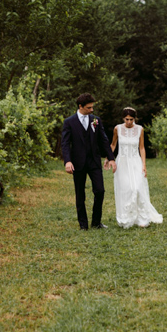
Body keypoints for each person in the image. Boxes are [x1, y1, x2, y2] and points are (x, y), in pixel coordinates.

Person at [61, 93, 116, 230]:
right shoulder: (69, 122)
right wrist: (67, 161)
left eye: (92, 107)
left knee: (100, 191)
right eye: (89, 107)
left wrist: (111, 158)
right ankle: (83, 225)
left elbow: (103, 140)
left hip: (94, 162)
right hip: (78, 162)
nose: (92, 110)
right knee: (80, 194)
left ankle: (96, 222)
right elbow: (65, 143)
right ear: (80, 106)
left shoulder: (95, 120)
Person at [110, 107, 163, 228]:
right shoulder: (117, 128)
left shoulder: (140, 129)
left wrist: (144, 164)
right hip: (122, 162)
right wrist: (109, 158)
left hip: (135, 161)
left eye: (131, 119)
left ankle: (142, 217)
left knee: (138, 188)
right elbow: (113, 145)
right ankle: (126, 217)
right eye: (127, 119)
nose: (129, 122)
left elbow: (142, 148)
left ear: (135, 119)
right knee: (126, 189)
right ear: (123, 118)